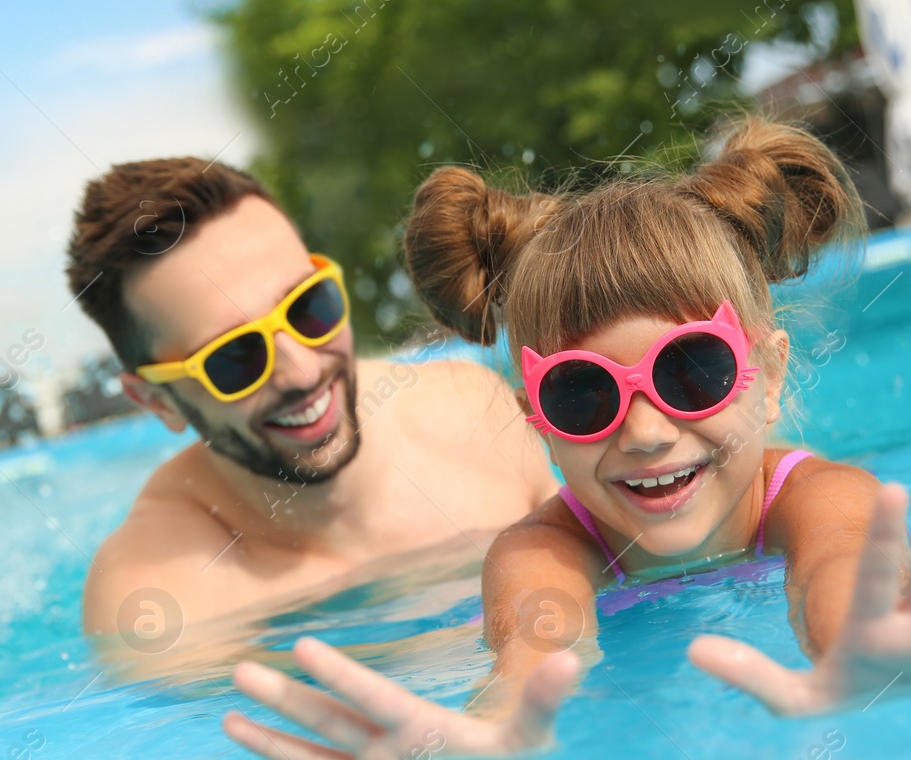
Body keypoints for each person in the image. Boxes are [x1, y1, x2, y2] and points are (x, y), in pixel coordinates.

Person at [223, 119, 911, 760]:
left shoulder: (812, 496)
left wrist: (859, 643)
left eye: (692, 372)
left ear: (768, 376)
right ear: (535, 414)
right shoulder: (543, 547)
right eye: (583, 394)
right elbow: (539, 641)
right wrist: (500, 722)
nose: (648, 430)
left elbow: (839, 566)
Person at [67, 157, 559, 662]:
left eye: (307, 306)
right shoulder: (159, 602)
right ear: (158, 401)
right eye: (235, 357)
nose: (302, 373)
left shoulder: (477, 413)